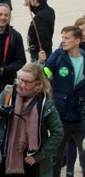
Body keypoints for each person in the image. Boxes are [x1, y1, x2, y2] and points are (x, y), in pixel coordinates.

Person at [0, 63, 63, 177]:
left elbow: (58, 133)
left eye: (27, 82)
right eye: (21, 80)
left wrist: (39, 156)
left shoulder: (45, 103)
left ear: (38, 81)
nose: (22, 85)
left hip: (30, 161)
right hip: (7, 157)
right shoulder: (9, 92)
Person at [43, 26, 85, 177]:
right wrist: (42, 70)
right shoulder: (58, 55)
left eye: (67, 38)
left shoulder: (84, 59)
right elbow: (47, 71)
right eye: (62, 37)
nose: (63, 41)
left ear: (77, 41)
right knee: (56, 156)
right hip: (61, 116)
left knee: (84, 155)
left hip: (81, 116)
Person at [22, 0, 55, 64]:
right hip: (47, 50)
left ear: (36, 0)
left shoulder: (40, 17)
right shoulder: (49, 10)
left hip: (39, 53)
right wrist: (30, 6)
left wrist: (42, 56)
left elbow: (43, 37)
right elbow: (40, 11)